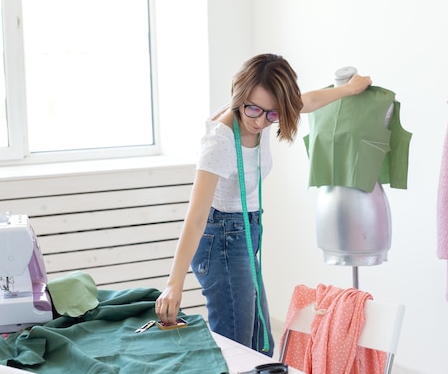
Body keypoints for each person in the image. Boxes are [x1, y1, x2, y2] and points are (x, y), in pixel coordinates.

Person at [154, 53, 372, 356]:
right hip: (221, 238)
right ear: (238, 94)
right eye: (253, 109)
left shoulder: (269, 113)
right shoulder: (220, 141)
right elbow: (196, 217)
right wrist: (174, 283)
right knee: (237, 346)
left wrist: (348, 90)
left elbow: (306, 101)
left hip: (245, 231)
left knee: (259, 342)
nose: (260, 121)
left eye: (272, 115)